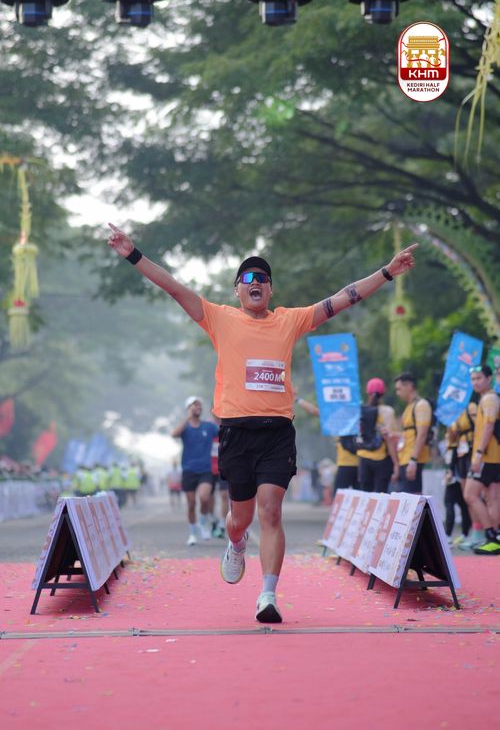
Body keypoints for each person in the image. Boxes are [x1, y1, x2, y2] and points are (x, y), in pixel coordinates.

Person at [108, 221, 417, 622]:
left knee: (271, 511)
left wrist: (388, 271)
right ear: (237, 290)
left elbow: (343, 298)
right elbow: (174, 287)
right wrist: (132, 253)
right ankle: (236, 543)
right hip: (236, 432)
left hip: (276, 433)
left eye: (263, 279)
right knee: (241, 519)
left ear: (271, 290)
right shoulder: (218, 317)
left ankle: (268, 595)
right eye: (248, 278)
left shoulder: (290, 320)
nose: (256, 282)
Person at [172, 396, 219, 546]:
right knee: (191, 503)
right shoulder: (185, 427)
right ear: (188, 408)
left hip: (205, 470)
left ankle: (203, 523)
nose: (197, 407)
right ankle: (192, 534)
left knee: (204, 498)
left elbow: (224, 433)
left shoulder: (209, 427)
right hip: (188, 470)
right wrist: (188, 418)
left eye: (199, 405)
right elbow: (174, 434)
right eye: (194, 405)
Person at [463, 365, 500, 555]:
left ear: (488, 378)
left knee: (470, 494)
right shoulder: (487, 398)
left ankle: (491, 535)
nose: (475, 382)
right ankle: (495, 538)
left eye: (479, 378)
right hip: (492, 456)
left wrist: (478, 453)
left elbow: (489, 426)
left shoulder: (489, 399)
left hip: (487, 456)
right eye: (473, 379)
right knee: (492, 497)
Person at [357, 378, 399, 494]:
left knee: (365, 496)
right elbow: (390, 439)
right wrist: (396, 464)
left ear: (367, 392)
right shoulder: (387, 411)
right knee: (382, 496)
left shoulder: (360, 411)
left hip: (364, 458)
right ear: (383, 393)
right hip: (382, 460)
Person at [393, 372, 432, 494]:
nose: (397, 393)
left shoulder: (421, 405)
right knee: (409, 497)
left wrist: (413, 460)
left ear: (409, 386)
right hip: (405, 457)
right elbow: (409, 434)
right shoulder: (409, 407)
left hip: (413, 458)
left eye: (399, 389)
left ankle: (426, 508)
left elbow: (422, 434)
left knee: (415, 497)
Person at [443, 403, 475, 546]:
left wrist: (450, 469)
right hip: (456, 468)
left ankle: (452, 534)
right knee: (463, 503)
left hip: (460, 468)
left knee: (454, 502)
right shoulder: (453, 420)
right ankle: (466, 533)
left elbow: (454, 449)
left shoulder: (467, 411)